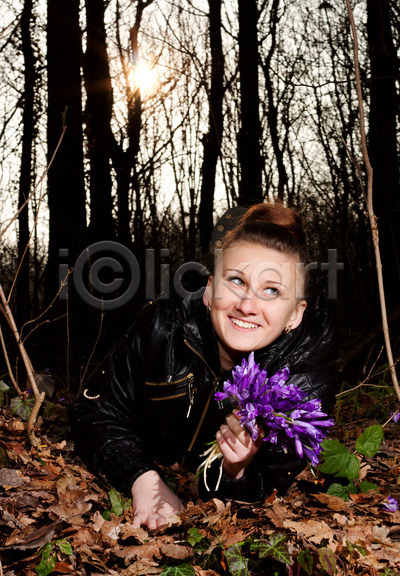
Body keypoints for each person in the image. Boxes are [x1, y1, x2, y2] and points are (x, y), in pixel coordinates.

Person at [69, 202, 336, 531]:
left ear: (295, 314)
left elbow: (273, 484)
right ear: (210, 291)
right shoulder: (163, 326)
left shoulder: (303, 381)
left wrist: (235, 471)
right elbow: (94, 411)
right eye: (237, 281)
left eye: (272, 290)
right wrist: (142, 480)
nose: (247, 305)